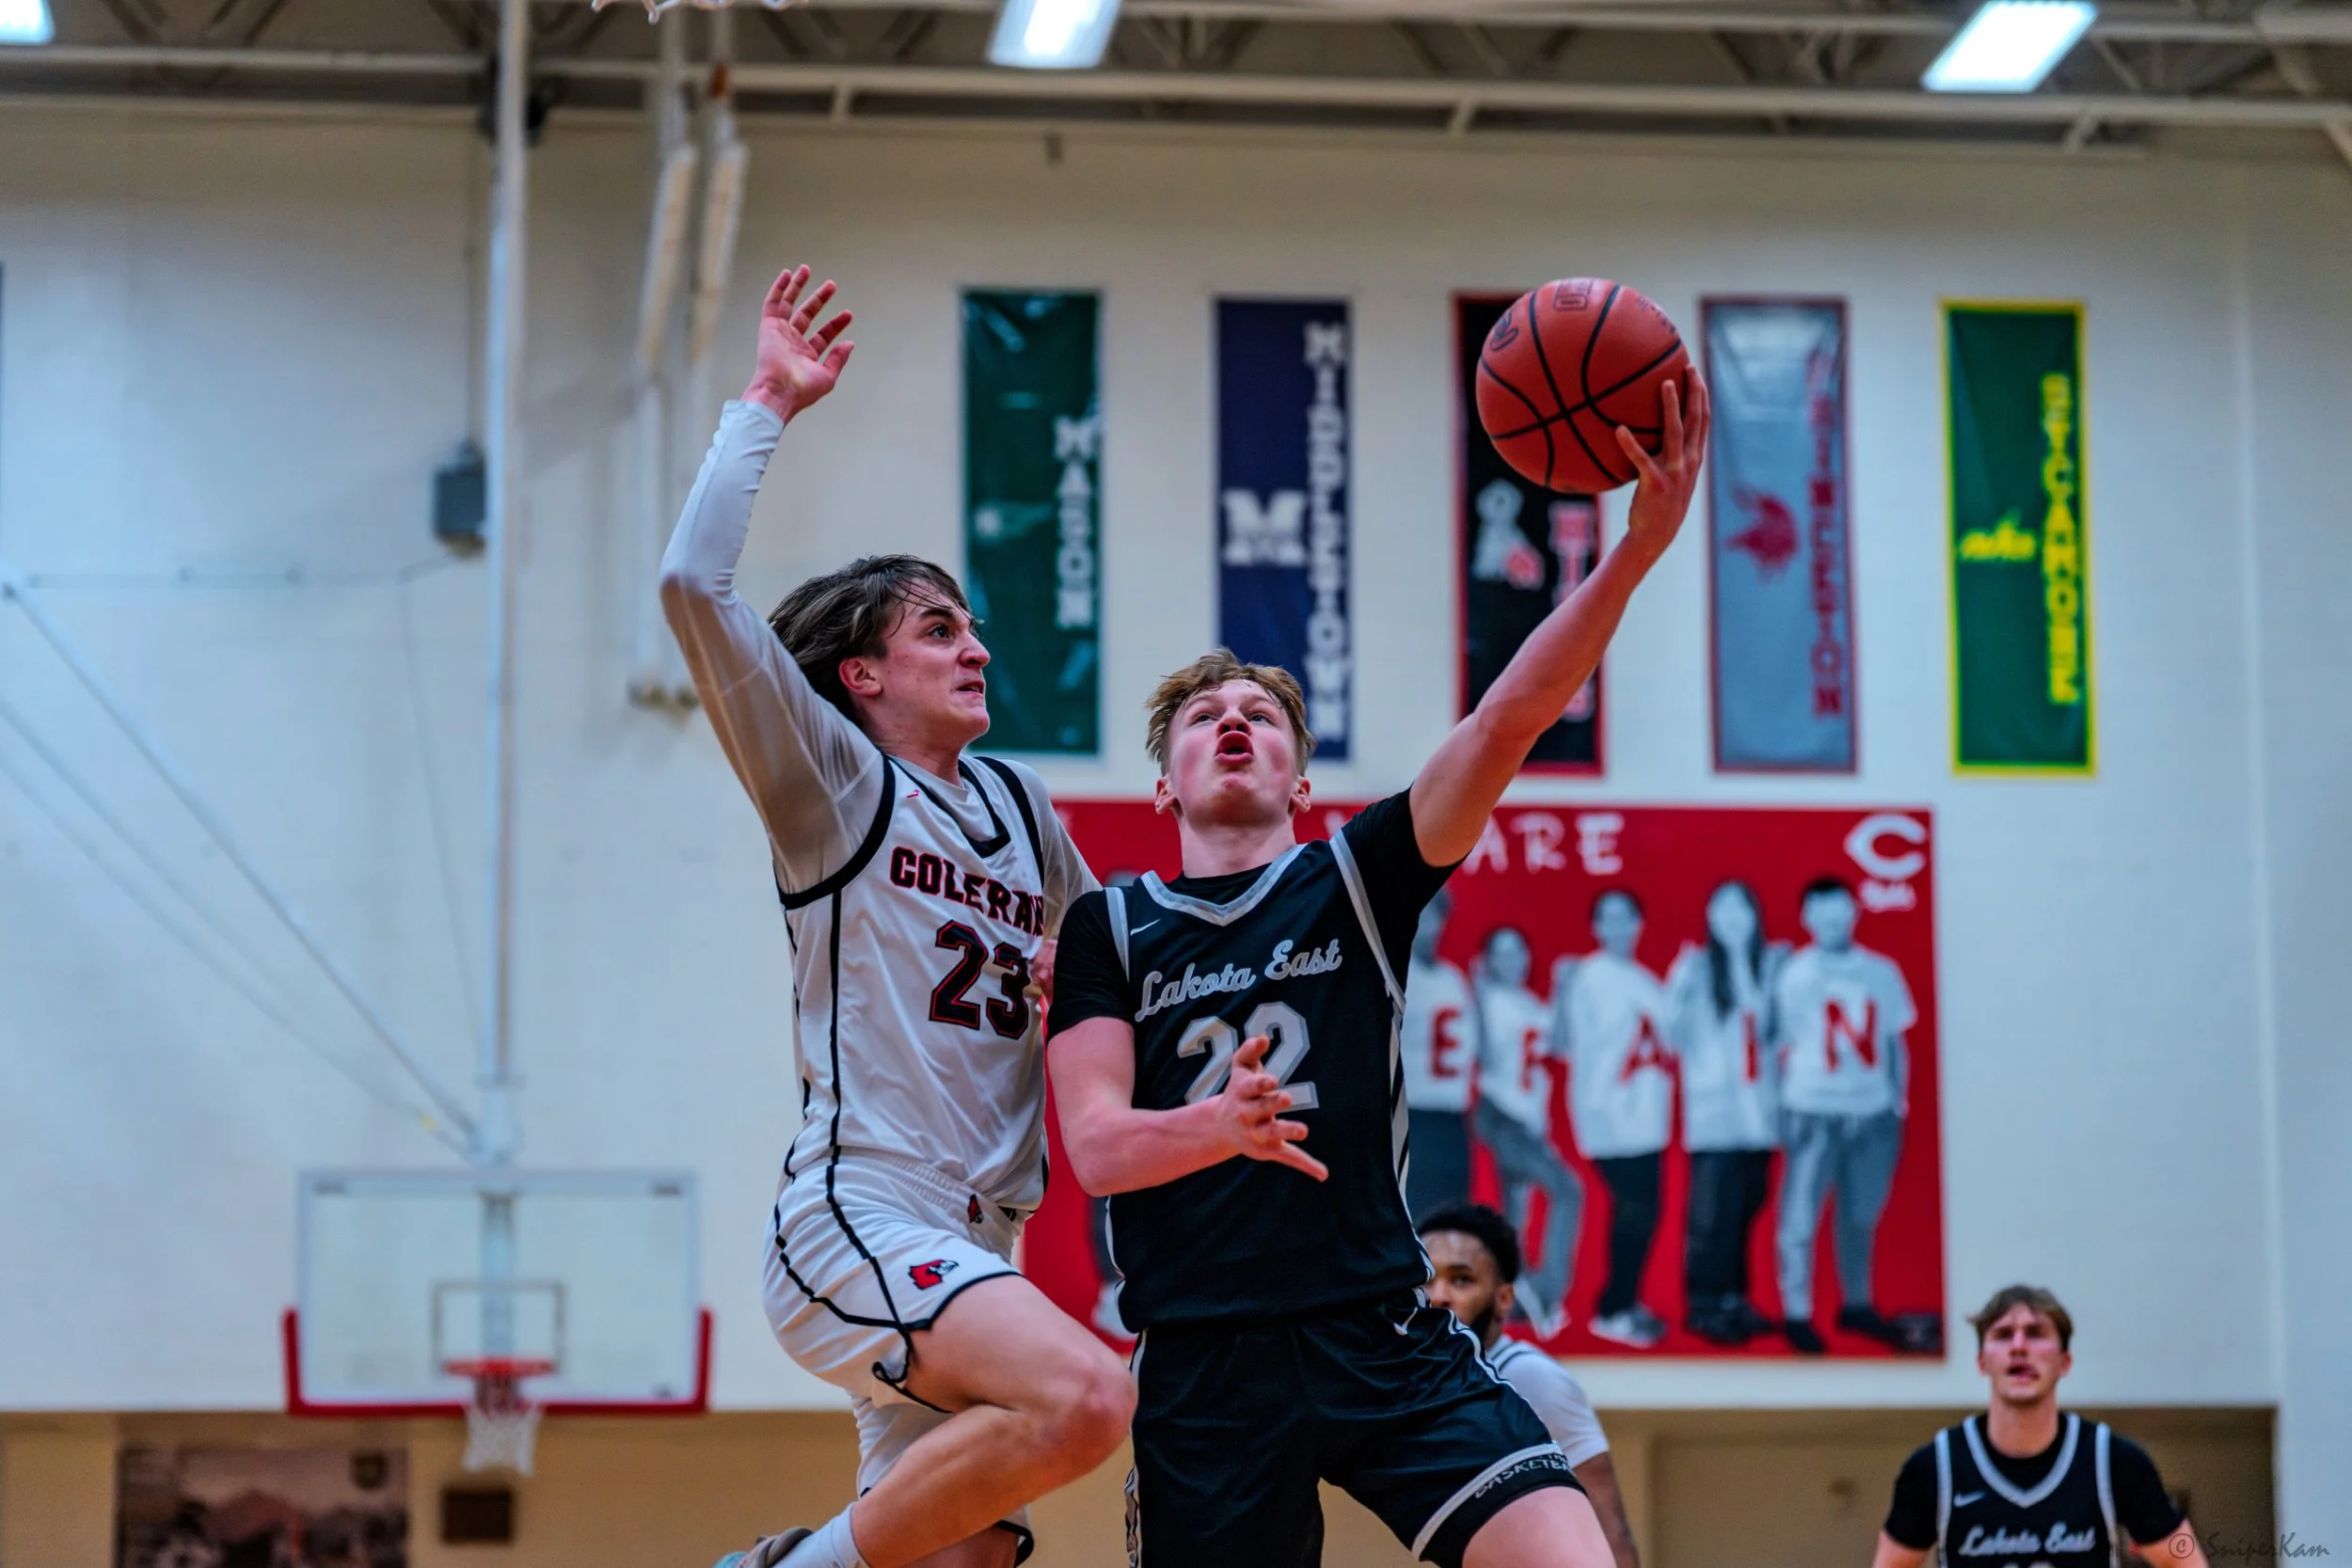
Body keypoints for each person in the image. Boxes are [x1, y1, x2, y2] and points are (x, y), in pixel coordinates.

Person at [1045, 373, 1708, 1568]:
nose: (1231, 720)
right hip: (1203, 1354)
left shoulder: (1353, 876)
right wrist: (1218, 1125)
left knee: (1570, 1558)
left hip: (1378, 1326)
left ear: (1302, 778)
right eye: (1203, 717)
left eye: (1259, 711)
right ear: (1165, 782)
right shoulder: (1111, 924)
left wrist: (1633, 552)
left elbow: (1508, 718)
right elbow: (1091, 1146)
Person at [661, 264, 1132, 1568]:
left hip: (982, 1236)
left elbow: (1122, 970)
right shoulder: (834, 779)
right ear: (862, 674)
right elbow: (694, 587)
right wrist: (765, 398)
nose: (976, 644)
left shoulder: (1023, 808)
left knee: (965, 1555)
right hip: (862, 1213)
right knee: (1086, 1397)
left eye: (974, 625)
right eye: (939, 627)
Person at [1872, 1285, 2208, 1568]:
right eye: (2003, 1335)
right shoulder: (1935, 1468)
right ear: (1981, 1362)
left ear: (2064, 1362)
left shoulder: (2114, 1461)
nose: (2019, 1346)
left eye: (2035, 1333)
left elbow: (2186, 1560)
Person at [1419, 1204, 1644, 1568]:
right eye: (1426, 1279)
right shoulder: (1427, 1380)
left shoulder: (1531, 1380)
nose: (1439, 1295)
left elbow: (1610, 1532)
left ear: (1504, 1299)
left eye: (1461, 1279)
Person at [1772, 876, 1915, 1354]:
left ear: (1855, 912)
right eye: (1821, 912)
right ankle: (1797, 1312)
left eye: (1841, 911)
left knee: (1860, 1215)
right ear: (1806, 917)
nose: (1832, 921)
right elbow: (1778, 1043)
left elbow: (1895, 1041)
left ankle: (1856, 1302)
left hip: (1872, 1111)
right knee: (1800, 1218)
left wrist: (1897, 1103)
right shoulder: (1794, 972)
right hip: (1814, 1107)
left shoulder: (1882, 971)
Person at [1663, 880, 1781, 1347]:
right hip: (1714, 1117)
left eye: (1741, 909)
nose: (1732, 918)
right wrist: (1686, 985)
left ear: (1755, 916)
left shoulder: (1770, 965)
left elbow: (1769, 1024)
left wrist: (1742, 962)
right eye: (1722, 909)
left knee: (1747, 1210)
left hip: (1759, 1117)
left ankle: (1736, 1299)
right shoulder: (1693, 966)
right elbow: (1671, 1032)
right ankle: (1706, 1305)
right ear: (1710, 918)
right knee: (1711, 1218)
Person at [1560, 890, 1674, 1350]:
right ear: (1596, 927)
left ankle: (1625, 1304)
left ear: (1639, 923)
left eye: (1627, 916)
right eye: (1608, 918)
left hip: (1648, 1115)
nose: (1619, 926)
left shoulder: (1648, 981)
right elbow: (1571, 1046)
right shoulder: (1589, 977)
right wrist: (1599, 1110)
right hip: (1611, 1115)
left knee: (1644, 1213)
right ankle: (1612, 1309)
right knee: (1633, 1212)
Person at [1473, 925, 1582, 1337]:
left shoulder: (1529, 1003)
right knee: (1568, 1190)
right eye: (1501, 953)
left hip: (1527, 1123)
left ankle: (1514, 1301)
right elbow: (1481, 1055)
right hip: (1502, 1116)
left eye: (1517, 952)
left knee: (1515, 1217)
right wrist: (1479, 998)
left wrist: (1562, 989)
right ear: (1489, 961)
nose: (1511, 961)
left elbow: (1558, 1045)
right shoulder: (1489, 1000)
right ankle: (1547, 1291)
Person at [1402, 888, 1477, 1218]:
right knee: (1416, 1222)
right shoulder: (1393, 972)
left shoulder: (1454, 979)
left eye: (1435, 915)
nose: (1428, 924)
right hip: (1411, 1116)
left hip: (1453, 1116)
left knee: (1453, 1222)